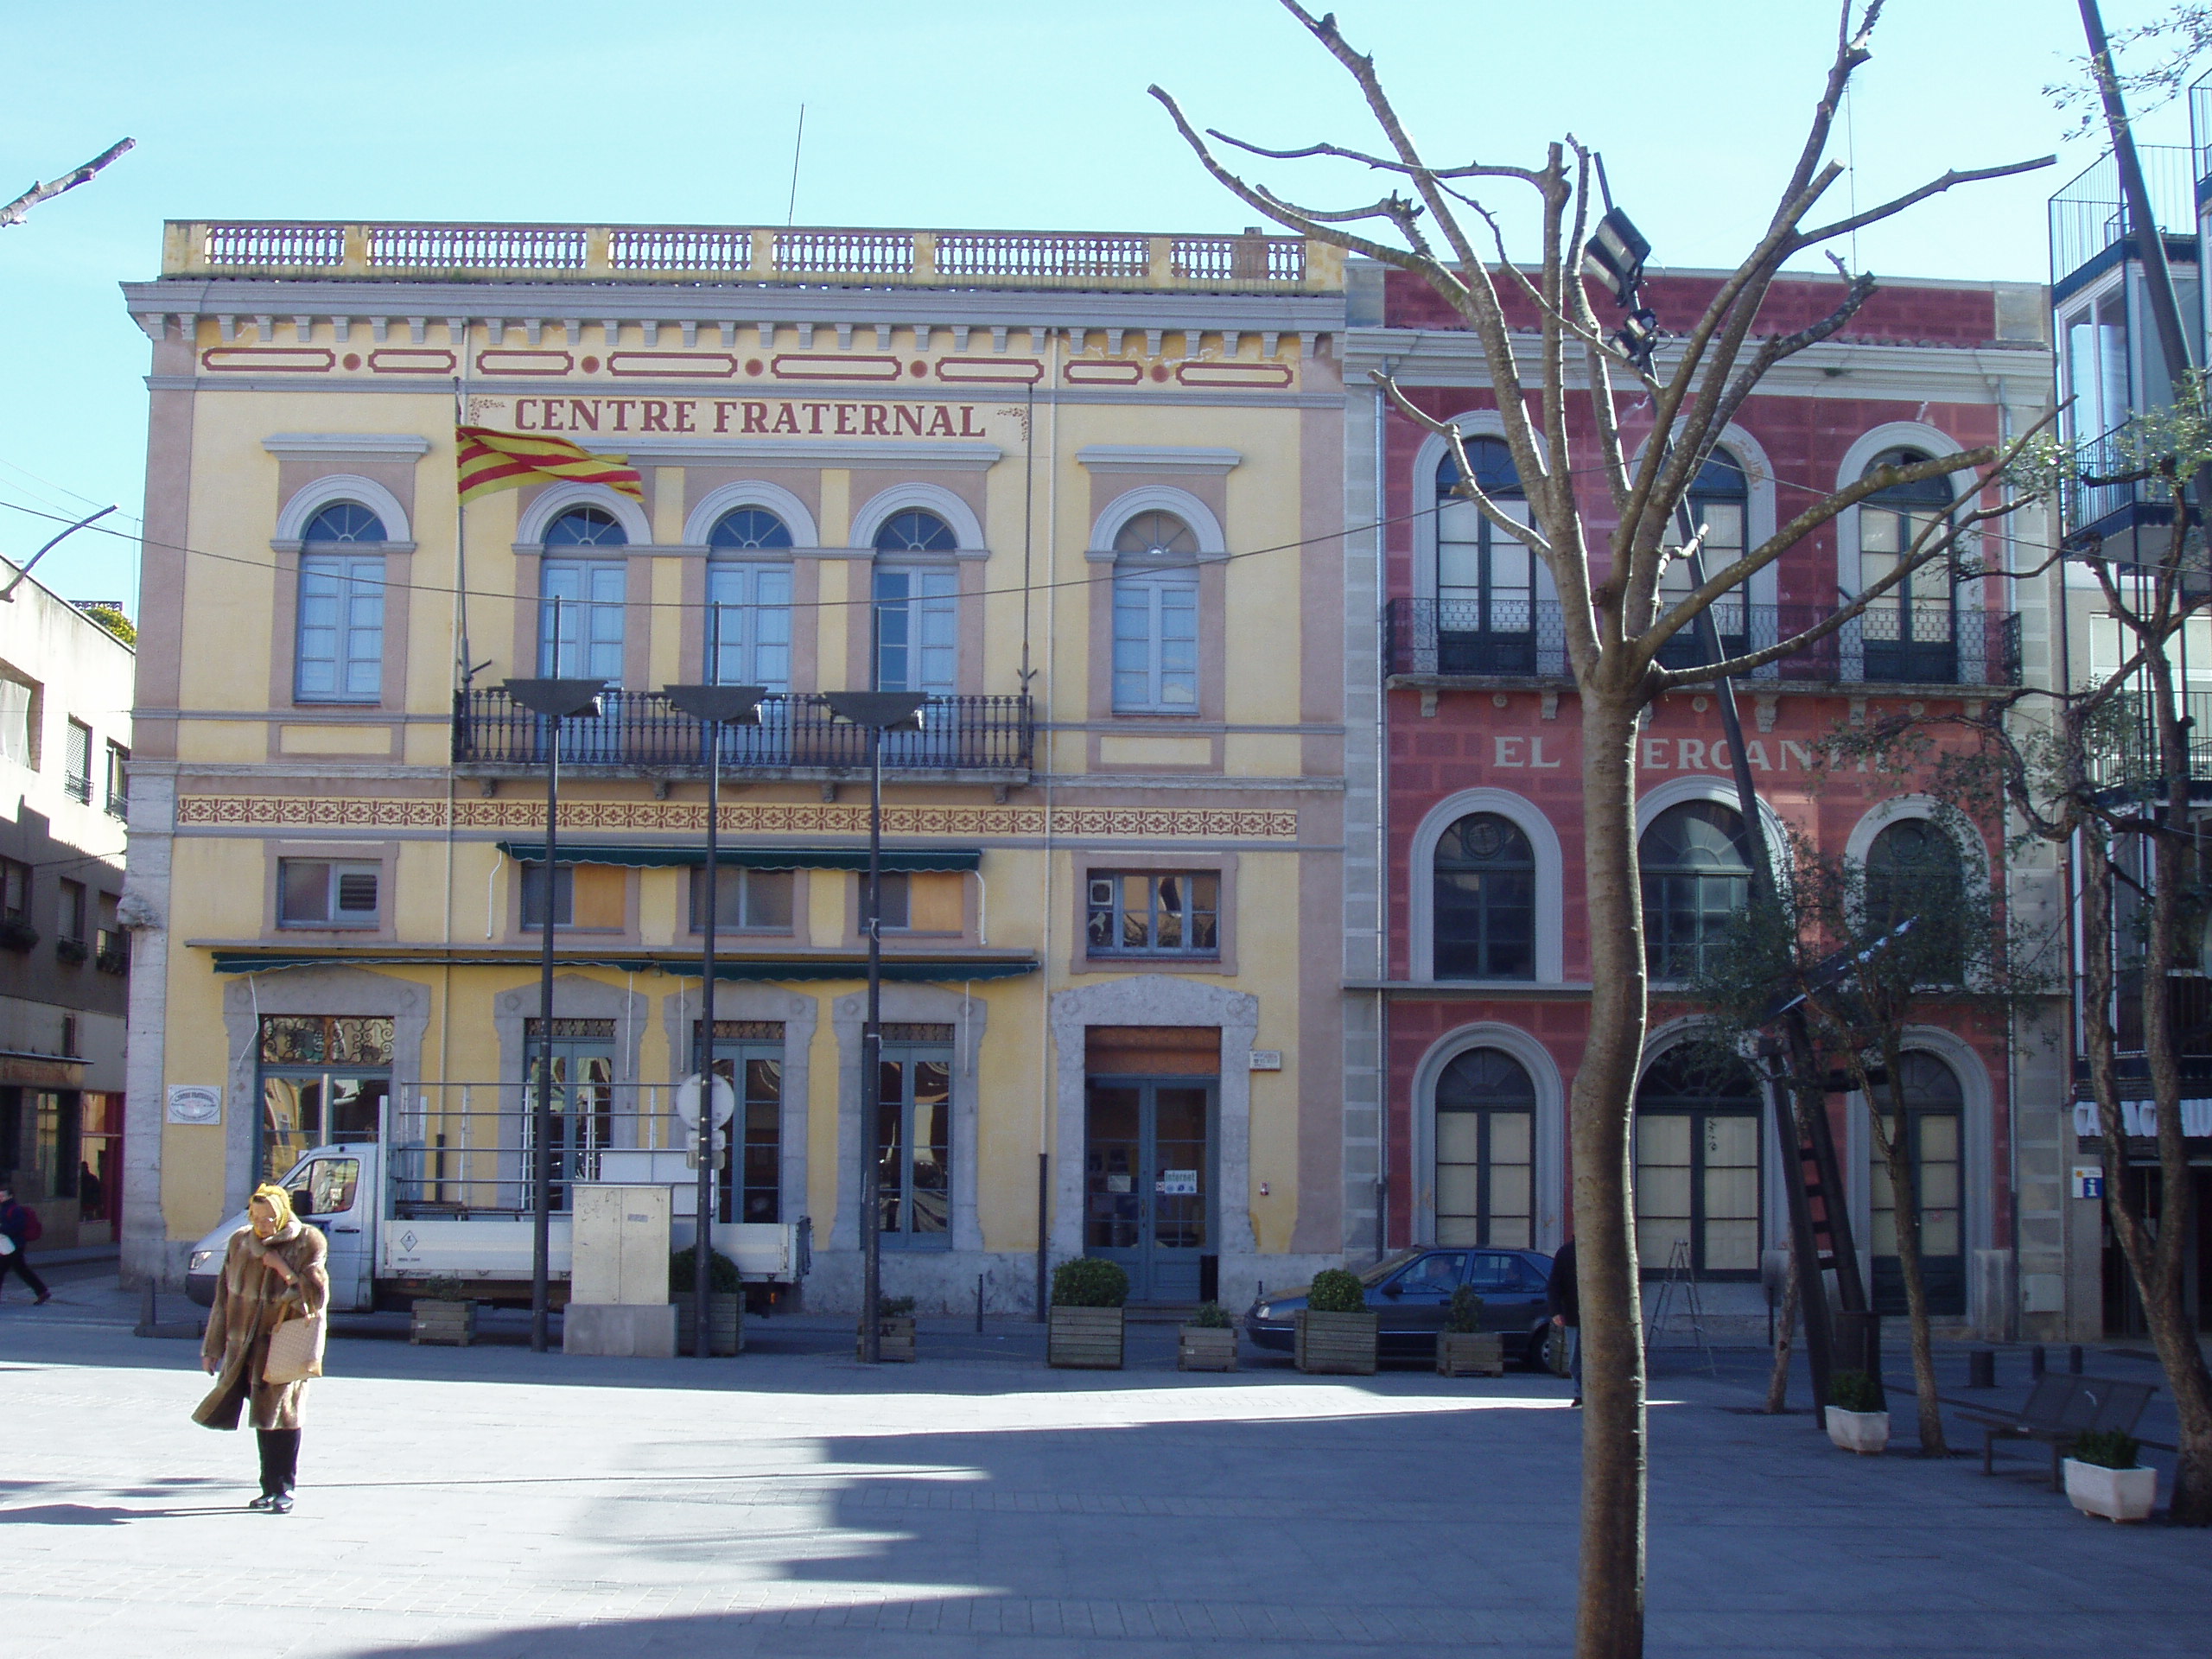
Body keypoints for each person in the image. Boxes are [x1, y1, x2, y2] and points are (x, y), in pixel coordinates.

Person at [194, 1183, 327, 1513]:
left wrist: (281, 1268)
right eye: (256, 1217)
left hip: (284, 1343)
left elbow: (317, 1296)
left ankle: (286, 1488)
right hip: (245, 1347)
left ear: (282, 1214)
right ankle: (268, 1487)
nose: (262, 1225)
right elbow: (223, 1299)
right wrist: (212, 1348)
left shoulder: (308, 1241)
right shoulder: (240, 1242)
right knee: (263, 1417)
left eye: (268, 1218)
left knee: (285, 1415)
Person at [0, 1179, 52, 1305]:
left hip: (13, 1245)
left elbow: (18, 1227)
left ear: (10, 1196)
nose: (0, 1198)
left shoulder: (14, 1210)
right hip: (8, 1244)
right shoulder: (4, 1209)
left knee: (3, 1269)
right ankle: (42, 1291)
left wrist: (2, 1228)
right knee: (22, 1270)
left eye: (2, 1196)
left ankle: (42, 1291)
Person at [1547, 1234, 1580, 1408]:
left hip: (1596, 1315)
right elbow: (1554, 1284)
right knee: (1576, 1356)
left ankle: (1590, 1392)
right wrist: (1556, 1311)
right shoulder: (1566, 1252)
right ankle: (1580, 1392)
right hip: (1574, 1314)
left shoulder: (1603, 1249)